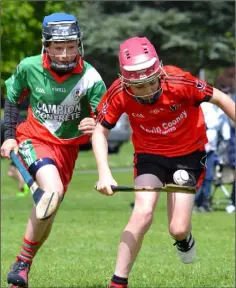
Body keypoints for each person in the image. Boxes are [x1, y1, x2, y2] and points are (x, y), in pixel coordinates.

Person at [91, 37, 236, 288]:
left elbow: (222, 99)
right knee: (142, 211)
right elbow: (99, 131)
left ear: (158, 71)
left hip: (188, 154)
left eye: (150, 83)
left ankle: (184, 239)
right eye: (138, 86)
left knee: (178, 228)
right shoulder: (119, 92)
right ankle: (118, 282)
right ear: (126, 81)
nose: (146, 91)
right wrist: (104, 173)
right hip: (150, 156)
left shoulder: (179, 81)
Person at [1, 13, 106, 288]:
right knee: (52, 192)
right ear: (46, 46)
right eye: (58, 47)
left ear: (79, 45)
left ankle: (22, 267)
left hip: (67, 151)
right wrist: (9, 137)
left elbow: (105, 121)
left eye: (70, 46)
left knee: (48, 211)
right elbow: (12, 100)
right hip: (33, 140)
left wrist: (95, 124)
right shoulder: (29, 67)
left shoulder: (91, 78)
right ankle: (21, 263)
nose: (64, 54)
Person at [194, 89, 231, 212]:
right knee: (197, 174)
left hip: (212, 146)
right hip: (198, 144)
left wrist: (221, 149)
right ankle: (195, 202)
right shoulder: (204, 106)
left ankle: (205, 201)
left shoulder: (222, 112)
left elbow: (225, 133)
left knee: (208, 176)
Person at [1, 99, 30, 197]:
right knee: (10, 171)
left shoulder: (19, 122)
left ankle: (24, 186)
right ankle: (24, 186)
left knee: (12, 170)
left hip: (20, 145)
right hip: (18, 144)